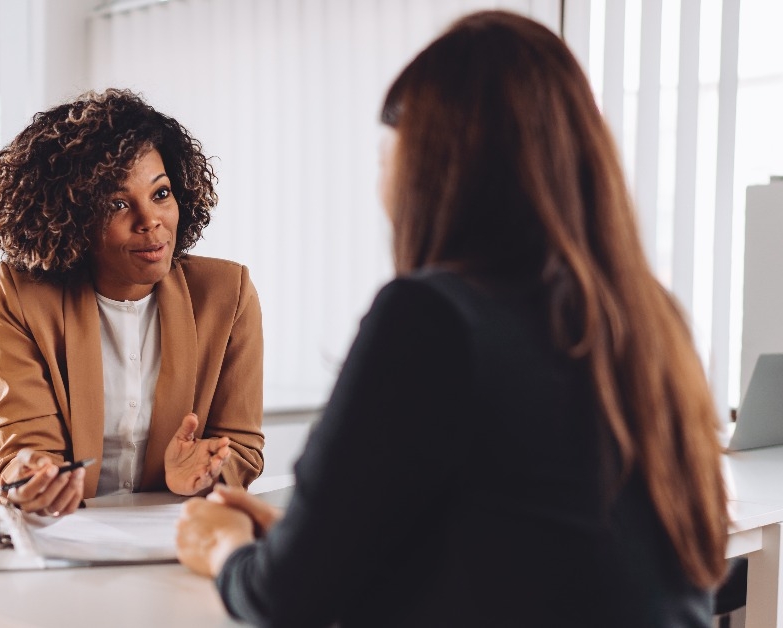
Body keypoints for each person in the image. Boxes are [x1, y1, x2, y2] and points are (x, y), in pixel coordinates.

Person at [175, 10, 728, 628]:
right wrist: (308, 540)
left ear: (433, 159)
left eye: (391, 141)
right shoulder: (651, 318)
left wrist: (223, 548)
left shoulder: (432, 318)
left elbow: (286, 599)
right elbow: (526, 556)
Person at [0, 88, 265, 517]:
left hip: (172, 538)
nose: (149, 219)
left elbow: (241, 446)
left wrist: (206, 471)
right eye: (117, 203)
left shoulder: (227, 294)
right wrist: (33, 474)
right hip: (66, 537)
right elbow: (24, 446)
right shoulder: (21, 295)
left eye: (160, 194)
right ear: (70, 218)